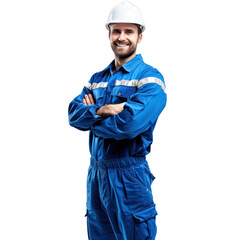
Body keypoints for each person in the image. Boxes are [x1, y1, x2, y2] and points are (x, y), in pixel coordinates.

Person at [68, 1, 167, 239]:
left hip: (129, 176)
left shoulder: (150, 79)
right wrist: (105, 110)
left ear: (139, 36)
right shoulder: (97, 78)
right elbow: (73, 114)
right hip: (97, 175)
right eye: (116, 31)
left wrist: (91, 116)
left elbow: (129, 125)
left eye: (129, 31)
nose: (121, 37)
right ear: (109, 34)